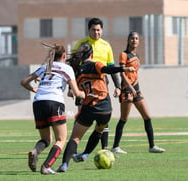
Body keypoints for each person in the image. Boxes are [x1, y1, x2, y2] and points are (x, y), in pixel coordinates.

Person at [56, 43, 135, 172]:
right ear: (92, 55)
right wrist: (124, 69)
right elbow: (108, 70)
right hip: (105, 108)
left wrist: (71, 90)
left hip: (88, 107)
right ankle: (86, 153)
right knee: (99, 130)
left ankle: (64, 164)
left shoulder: (77, 70)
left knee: (75, 138)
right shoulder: (96, 64)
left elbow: (74, 89)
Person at [20, 43, 85, 175]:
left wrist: (32, 89)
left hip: (38, 102)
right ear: (64, 56)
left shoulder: (45, 67)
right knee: (61, 139)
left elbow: (23, 82)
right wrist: (85, 94)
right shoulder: (67, 68)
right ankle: (46, 166)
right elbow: (77, 92)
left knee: (46, 139)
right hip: (54, 102)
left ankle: (35, 152)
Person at [111, 32, 165, 154]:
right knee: (124, 119)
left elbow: (134, 74)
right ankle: (115, 147)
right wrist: (129, 87)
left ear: (138, 41)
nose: (134, 40)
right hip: (127, 90)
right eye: (132, 38)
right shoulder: (124, 54)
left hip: (137, 90)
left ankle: (152, 146)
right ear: (128, 40)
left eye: (136, 38)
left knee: (147, 117)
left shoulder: (137, 56)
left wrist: (135, 87)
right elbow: (122, 73)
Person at [71, 17, 121, 150]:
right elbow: (73, 66)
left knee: (104, 117)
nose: (96, 32)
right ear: (88, 30)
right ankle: (74, 148)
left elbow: (111, 67)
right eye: (93, 30)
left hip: (101, 85)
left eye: (98, 30)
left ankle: (104, 149)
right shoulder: (82, 44)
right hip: (84, 85)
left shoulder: (106, 45)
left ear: (102, 30)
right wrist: (72, 86)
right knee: (81, 116)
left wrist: (118, 86)